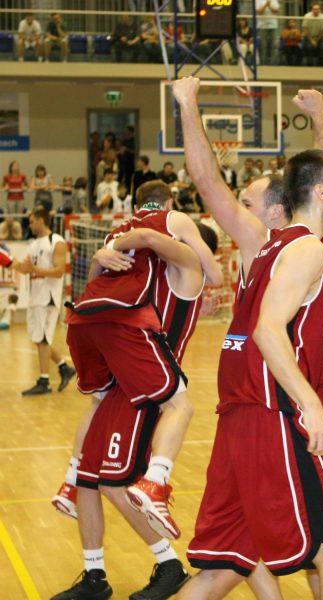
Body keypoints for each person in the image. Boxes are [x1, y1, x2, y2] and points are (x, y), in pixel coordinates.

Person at [173, 76, 323, 597]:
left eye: (247, 199)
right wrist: (188, 106)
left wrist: (320, 121)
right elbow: (206, 179)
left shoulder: (303, 241)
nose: (236, 206)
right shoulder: (262, 240)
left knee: (229, 562)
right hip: (276, 403)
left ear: (277, 208)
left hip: (252, 402)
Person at [50, 185, 220, 600]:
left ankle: (170, 565)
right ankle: (94, 576)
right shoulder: (142, 274)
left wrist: (118, 241)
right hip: (121, 379)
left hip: (146, 390)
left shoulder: (186, 270)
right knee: (90, 478)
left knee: (113, 483)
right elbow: (100, 290)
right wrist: (102, 257)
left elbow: (153, 236)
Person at [15, 208, 76, 396]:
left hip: (48, 296)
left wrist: (35, 269)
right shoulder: (33, 244)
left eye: (32, 221)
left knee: (42, 340)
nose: (30, 225)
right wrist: (12, 264)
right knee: (38, 338)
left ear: (41, 221)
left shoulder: (56, 241)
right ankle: (64, 367)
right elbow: (26, 269)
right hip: (35, 295)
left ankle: (44, 382)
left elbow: (59, 271)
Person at [255, 0, 281, 65]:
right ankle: (263, 63)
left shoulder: (274, 0)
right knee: (263, 46)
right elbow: (259, 12)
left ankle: (274, 63)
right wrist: (266, 5)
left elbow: (277, 10)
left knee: (274, 45)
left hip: (273, 25)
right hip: (262, 26)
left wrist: (269, 6)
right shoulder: (258, 1)